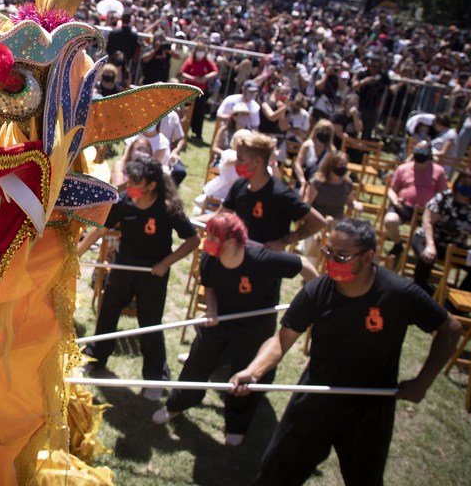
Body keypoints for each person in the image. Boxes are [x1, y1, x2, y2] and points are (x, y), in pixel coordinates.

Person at [230, 219, 462, 486]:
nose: (330, 261)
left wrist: (423, 382)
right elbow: (282, 340)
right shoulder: (317, 290)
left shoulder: (397, 292)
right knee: (275, 474)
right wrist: (253, 371)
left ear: (367, 258)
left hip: (370, 404)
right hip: (316, 395)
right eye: (328, 252)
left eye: (340, 256)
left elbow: (451, 329)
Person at [152, 214, 318, 447]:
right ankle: (176, 405)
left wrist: (317, 298)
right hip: (220, 319)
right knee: (197, 362)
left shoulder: (262, 259)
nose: (206, 240)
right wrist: (211, 309)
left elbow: (303, 265)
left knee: (243, 375)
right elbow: (209, 286)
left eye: (211, 236)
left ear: (230, 242)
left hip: (255, 326)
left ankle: (237, 424)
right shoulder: (210, 258)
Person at [78, 157, 200, 400]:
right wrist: (77, 253)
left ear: (151, 186)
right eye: (129, 180)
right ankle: (95, 357)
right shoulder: (125, 202)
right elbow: (100, 229)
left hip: (153, 275)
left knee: (151, 324)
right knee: (108, 313)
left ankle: (156, 377)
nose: (129, 186)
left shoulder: (167, 207)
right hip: (123, 267)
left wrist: (166, 264)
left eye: (135, 182)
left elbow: (193, 241)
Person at [220, 132, 326, 251]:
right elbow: (220, 215)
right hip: (239, 254)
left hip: (266, 261)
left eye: (240, 159)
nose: (236, 163)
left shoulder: (280, 194)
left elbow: (318, 222)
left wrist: (283, 242)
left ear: (257, 161)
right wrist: (195, 222)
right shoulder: (240, 185)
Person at [412, 169, 471, 294]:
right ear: (458, 182)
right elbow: (428, 222)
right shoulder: (443, 198)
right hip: (430, 239)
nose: (467, 186)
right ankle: (420, 291)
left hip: (455, 246)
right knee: (427, 258)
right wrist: (430, 245)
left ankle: (456, 303)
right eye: (464, 182)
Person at [383, 140, 448, 259]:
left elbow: (442, 194)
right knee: (389, 221)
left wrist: (433, 207)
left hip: (427, 211)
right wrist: (395, 201)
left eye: (424, 150)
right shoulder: (403, 168)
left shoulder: (438, 171)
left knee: (428, 232)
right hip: (403, 206)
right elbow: (391, 189)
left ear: (429, 153)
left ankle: (422, 253)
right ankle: (398, 245)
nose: (420, 152)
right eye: (418, 149)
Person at [178, 41, 218, 141]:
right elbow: (182, 72)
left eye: (202, 50)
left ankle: (197, 133)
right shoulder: (189, 61)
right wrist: (192, 78)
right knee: (186, 112)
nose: (200, 52)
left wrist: (205, 77)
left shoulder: (207, 62)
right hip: (188, 91)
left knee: (199, 113)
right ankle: (183, 131)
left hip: (200, 92)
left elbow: (215, 71)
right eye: (199, 50)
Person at [293, 119, 336, 189]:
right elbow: (298, 164)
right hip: (306, 181)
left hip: (321, 185)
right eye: (323, 130)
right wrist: (302, 180)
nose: (324, 133)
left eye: (327, 131)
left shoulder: (331, 151)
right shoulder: (307, 145)